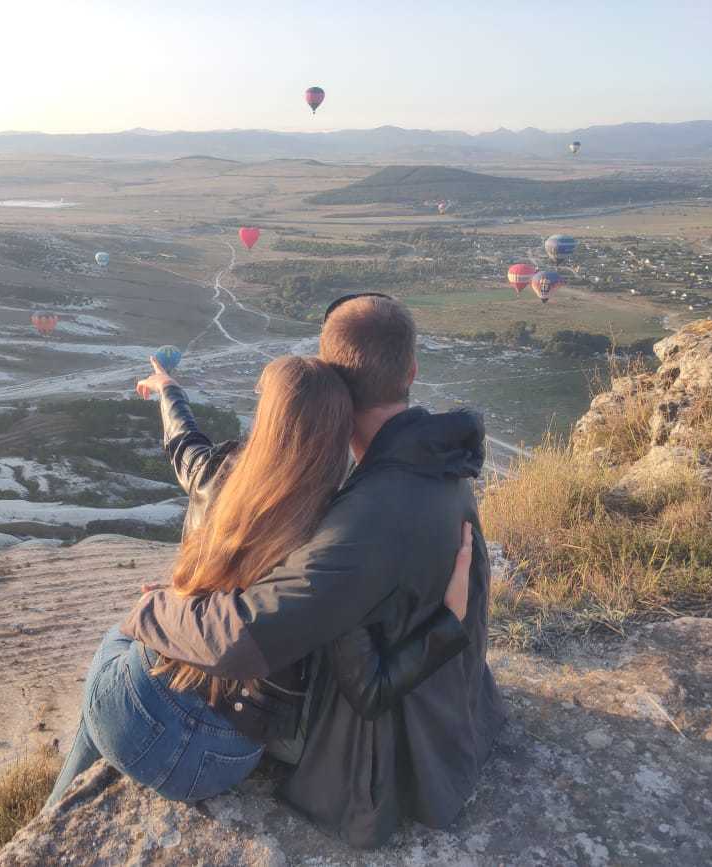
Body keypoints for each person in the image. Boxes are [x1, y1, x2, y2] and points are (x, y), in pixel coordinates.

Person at [122, 295, 506, 847]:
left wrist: (150, 607)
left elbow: (244, 636)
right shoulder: (439, 462)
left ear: (334, 386)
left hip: (374, 765)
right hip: (449, 715)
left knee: (123, 652)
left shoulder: (364, 519)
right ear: (412, 371)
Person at [48, 349, 473, 809]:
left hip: (142, 713)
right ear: (339, 430)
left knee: (119, 641)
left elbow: (183, 443)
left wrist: (167, 389)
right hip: (224, 754)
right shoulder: (338, 534)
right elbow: (369, 683)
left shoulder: (219, 472)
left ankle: (52, 817)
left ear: (267, 419)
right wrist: (451, 621)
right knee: (132, 653)